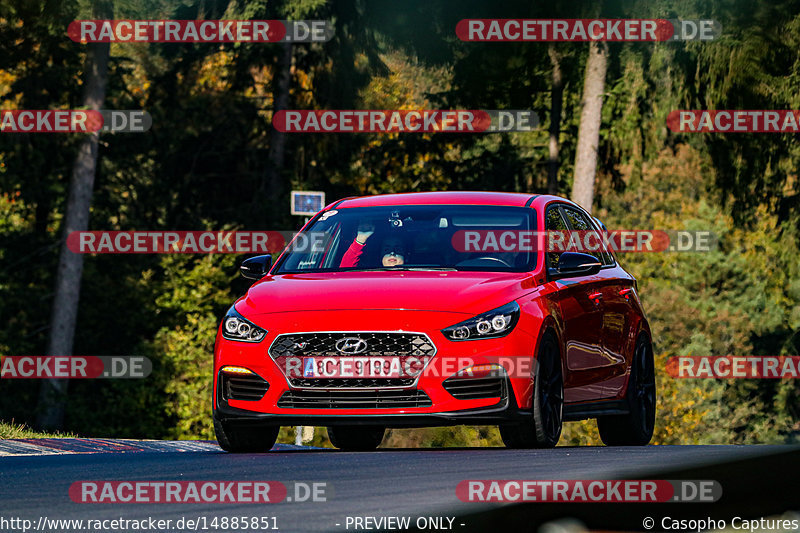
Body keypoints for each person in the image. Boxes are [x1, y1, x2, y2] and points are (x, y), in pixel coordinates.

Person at [340, 221, 407, 267]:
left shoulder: (416, 275)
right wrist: (360, 239)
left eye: (397, 249)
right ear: (380, 255)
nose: (392, 253)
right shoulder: (370, 276)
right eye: (387, 249)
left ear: (406, 255)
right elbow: (343, 272)